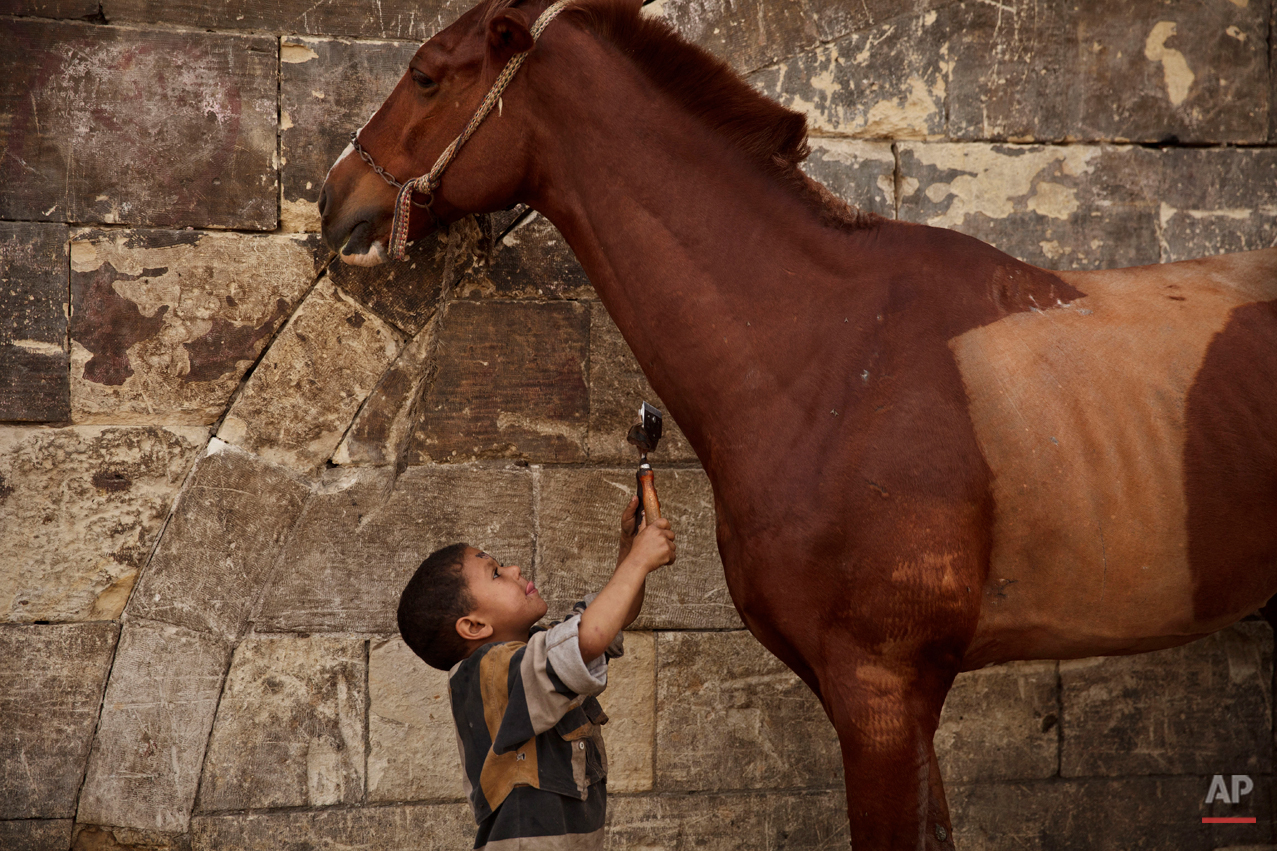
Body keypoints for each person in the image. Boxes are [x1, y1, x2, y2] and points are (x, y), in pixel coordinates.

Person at [397, 495, 676, 850]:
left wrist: (629, 549)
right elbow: (589, 638)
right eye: (496, 574)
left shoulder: (532, 652)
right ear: (475, 626)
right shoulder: (489, 671)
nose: (514, 570)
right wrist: (638, 561)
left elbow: (608, 620)